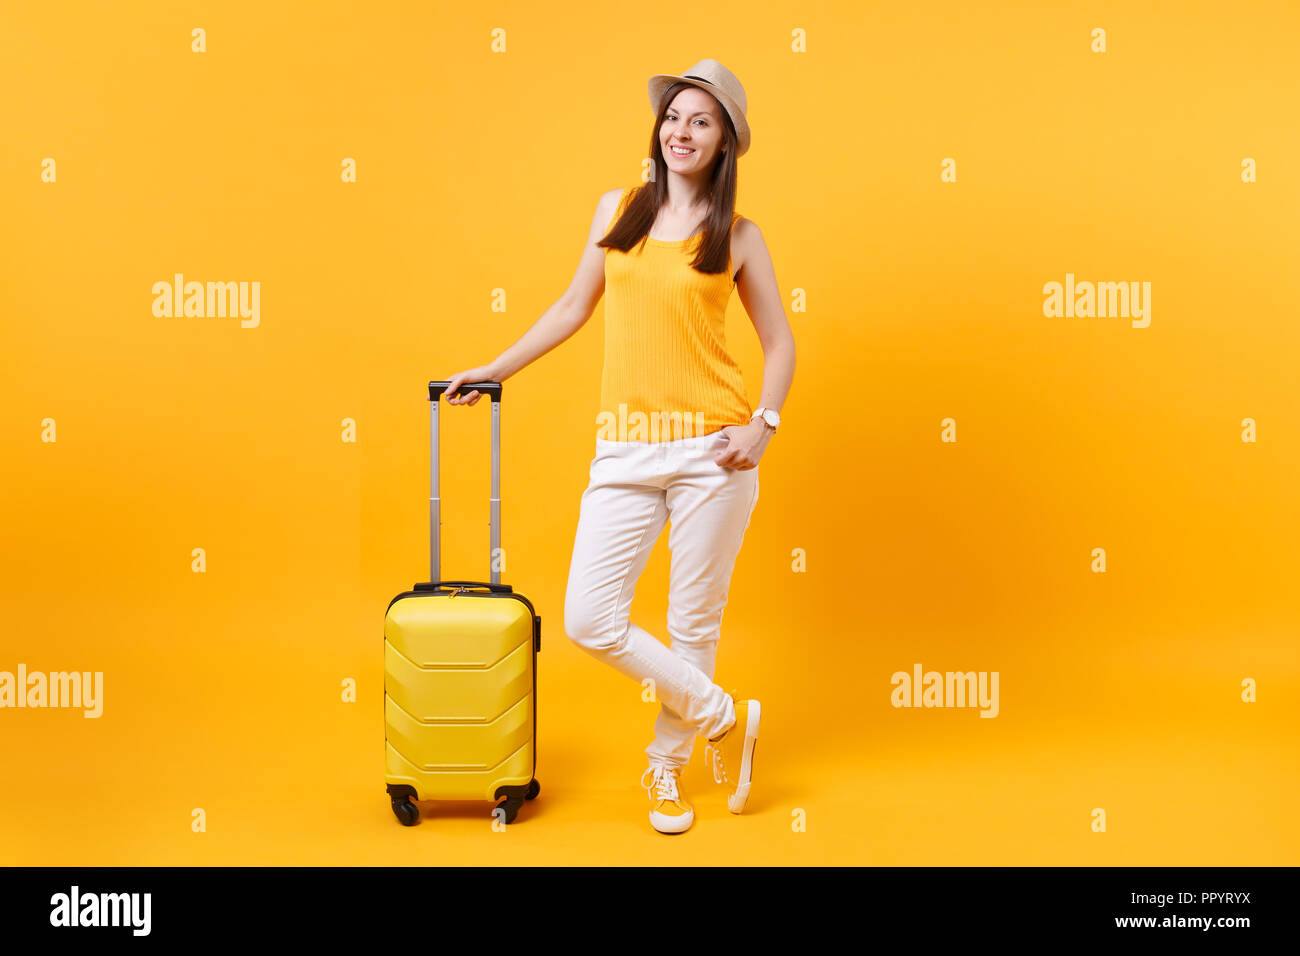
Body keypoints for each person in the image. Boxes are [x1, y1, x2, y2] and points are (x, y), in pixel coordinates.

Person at [443, 59, 795, 834]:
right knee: (588, 617)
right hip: (625, 451)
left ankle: (667, 772)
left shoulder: (737, 235)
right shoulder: (620, 208)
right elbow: (574, 306)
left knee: (692, 621)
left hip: (713, 450)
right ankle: (722, 715)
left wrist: (761, 427)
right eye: (674, 116)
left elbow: (780, 342)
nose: (681, 131)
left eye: (701, 121)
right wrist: (493, 368)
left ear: (726, 141)